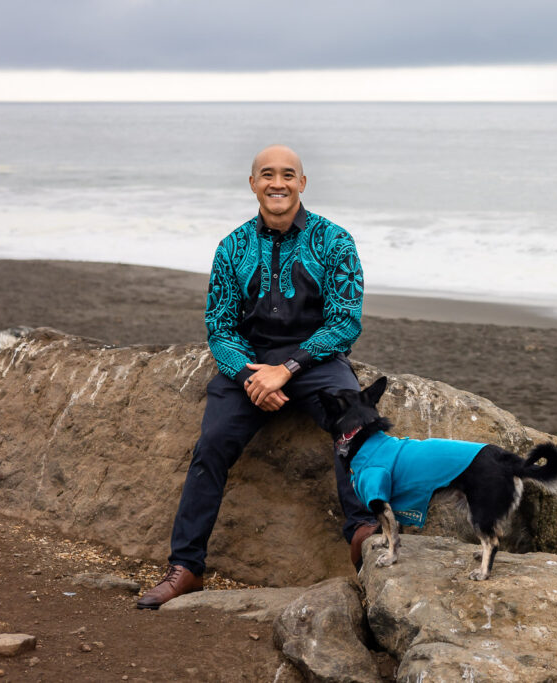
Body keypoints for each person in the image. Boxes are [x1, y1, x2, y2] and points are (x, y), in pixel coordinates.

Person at [137, 145, 378, 609]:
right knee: (211, 445)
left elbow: (346, 321)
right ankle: (186, 567)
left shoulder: (335, 241)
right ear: (252, 184)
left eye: (288, 175)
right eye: (267, 175)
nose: (278, 183)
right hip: (248, 362)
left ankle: (364, 534)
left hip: (314, 360)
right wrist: (253, 378)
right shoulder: (232, 248)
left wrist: (286, 370)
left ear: (302, 183)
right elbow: (219, 328)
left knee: (355, 422)